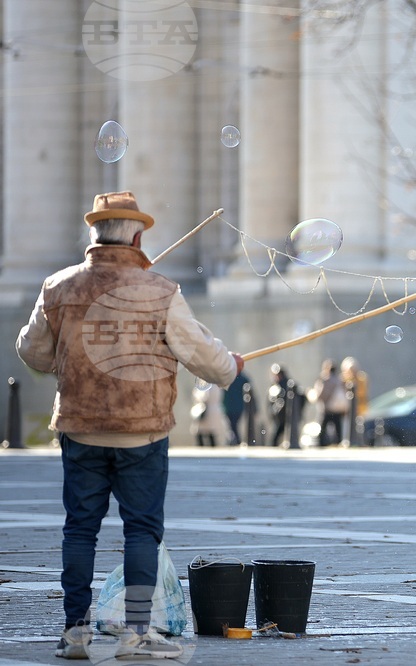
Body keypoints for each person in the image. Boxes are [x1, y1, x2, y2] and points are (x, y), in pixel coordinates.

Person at [15, 191, 244, 660]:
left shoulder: (58, 286)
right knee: (141, 530)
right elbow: (204, 355)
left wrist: (68, 356)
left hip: (80, 427)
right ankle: (136, 634)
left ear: (94, 234)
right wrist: (231, 366)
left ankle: (75, 633)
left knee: (80, 529)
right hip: (143, 431)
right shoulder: (160, 290)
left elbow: (32, 352)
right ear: (137, 238)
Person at [311, 359, 347, 447]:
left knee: (323, 428)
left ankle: (321, 443)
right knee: (338, 428)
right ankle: (338, 443)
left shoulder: (326, 380)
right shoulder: (340, 380)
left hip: (327, 409)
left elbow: (321, 395)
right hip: (338, 409)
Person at [267, 364, 304, 447]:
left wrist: (276, 410)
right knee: (279, 434)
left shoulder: (283, 385)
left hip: (284, 416)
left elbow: (281, 401)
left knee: (275, 437)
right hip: (287, 415)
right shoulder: (289, 384)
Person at [190, 383, 229, 447]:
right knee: (211, 432)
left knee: (202, 431)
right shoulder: (217, 384)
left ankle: (202, 448)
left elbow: (203, 397)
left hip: (206, 410)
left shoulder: (207, 385)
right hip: (214, 410)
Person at [340, 357, 368, 446]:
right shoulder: (344, 379)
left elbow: (361, 392)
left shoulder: (361, 378)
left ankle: (360, 442)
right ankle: (346, 440)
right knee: (346, 425)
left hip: (360, 407)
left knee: (360, 426)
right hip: (347, 408)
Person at [222, 371, 250, 445]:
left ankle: (236, 441)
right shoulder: (243, 378)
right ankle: (235, 440)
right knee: (233, 425)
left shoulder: (228, 378)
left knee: (232, 425)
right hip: (236, 406)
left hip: (230, 406)